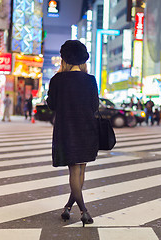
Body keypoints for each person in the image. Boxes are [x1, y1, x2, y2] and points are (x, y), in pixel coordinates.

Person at [46, 40, 98, 227]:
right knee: (81, 170)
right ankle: (69, 207)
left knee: (73, 172)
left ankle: (83, 210)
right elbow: (94, 106)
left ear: (64, 59)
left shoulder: (57, 80)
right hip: (86, 129)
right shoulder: (90, 80)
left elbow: (52, 105)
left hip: (67, 129)